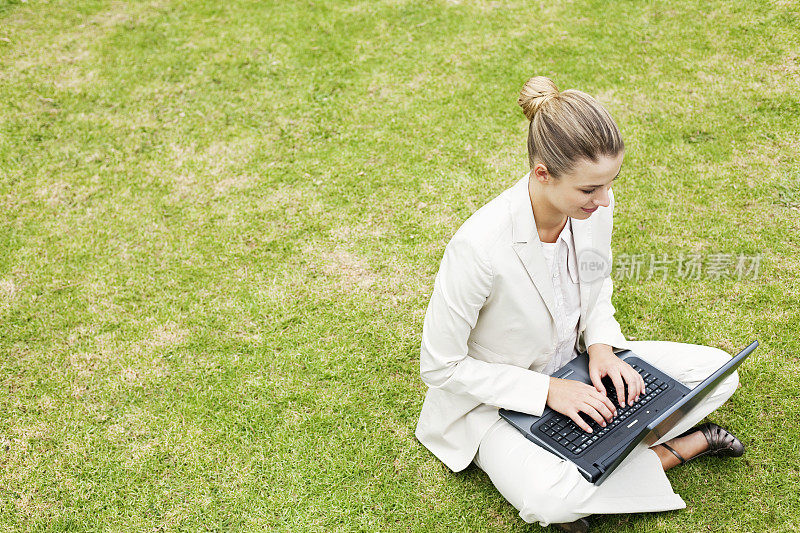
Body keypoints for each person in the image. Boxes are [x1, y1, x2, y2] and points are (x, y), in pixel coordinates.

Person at [414, 76, 745, 532]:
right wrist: (548, 391)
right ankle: (680, 449)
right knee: (550, 504)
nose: (605, 200)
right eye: (590, 190)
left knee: (718, 374)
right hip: (496, 403)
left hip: (580, 365)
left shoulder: (593, 207)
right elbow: (439, 367)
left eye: (611, 184)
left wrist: (603, 347)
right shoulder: (478, 247)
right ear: (542, 174)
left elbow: (595, 285)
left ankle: (600, 461)